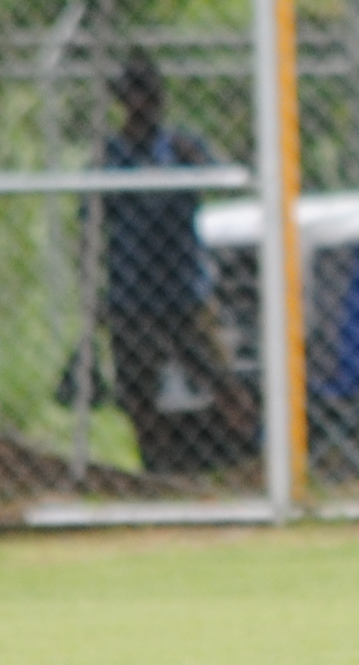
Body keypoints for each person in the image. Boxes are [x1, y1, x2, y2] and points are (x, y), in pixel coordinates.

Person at [70, 53, 251, 473]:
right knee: (138, 392)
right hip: (131, 294)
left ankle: (250, 456)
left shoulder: (180, 148)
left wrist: (199, 165)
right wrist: (93, 289)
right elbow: (91, 227)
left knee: (220, 377)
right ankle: (155, 467)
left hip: (184, 289)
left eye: (150, 96)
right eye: (133, 96)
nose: (143, 105)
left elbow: (222, 180)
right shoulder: (111, 158)